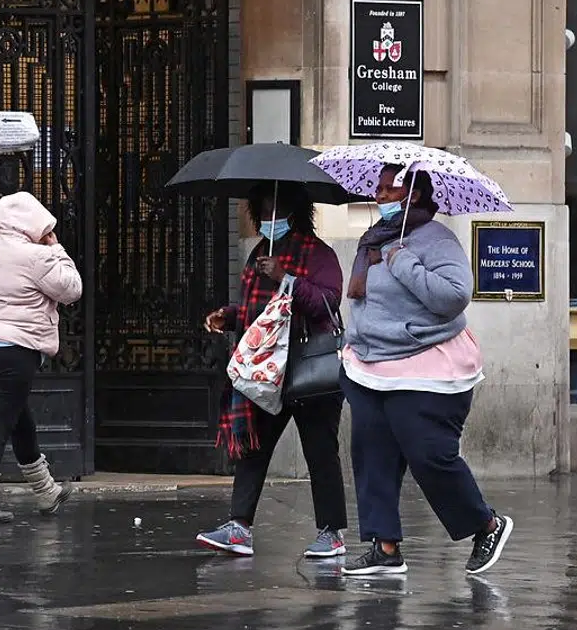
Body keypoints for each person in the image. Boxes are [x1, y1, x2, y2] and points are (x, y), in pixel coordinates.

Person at [339, 164, 513, 577]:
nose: (379, 196)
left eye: (388, 189)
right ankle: (385, 547)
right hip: (370, 364)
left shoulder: (437, 240)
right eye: (377, 188)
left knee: (429, 456)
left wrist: (402, 262)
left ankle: (486, 524)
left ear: (413, 195)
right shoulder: (374, 239)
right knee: (372, 453)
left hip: (426, 368)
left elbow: (454, 296)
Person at [195, 183, 349, 558]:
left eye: (273, 211)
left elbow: (327, 302)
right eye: (261, 212)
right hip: (266, 371)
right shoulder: (260, 255)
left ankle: (332, 533)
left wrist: (286, 278)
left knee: (320, 451)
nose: (268, 219)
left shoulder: (319, 254)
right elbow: (255, 312)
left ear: (293, 212)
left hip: (307, 367)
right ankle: (239, 527)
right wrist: (229, 317)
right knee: (255, 448)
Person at [0, 191, 83, 524]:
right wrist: (56, 249)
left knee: (18, 418)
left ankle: (46, 491)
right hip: (14, 353)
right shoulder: (36, 256)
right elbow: (72, 289)